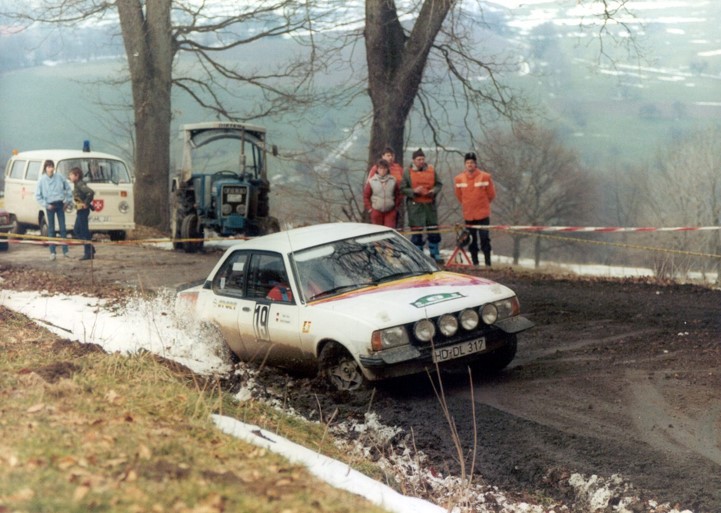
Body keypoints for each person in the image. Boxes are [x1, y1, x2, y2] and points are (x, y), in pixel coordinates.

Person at [400, 148, 444, 264]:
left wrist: (433, 191)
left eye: (423, 159)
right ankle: (418, 255)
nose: (421, 161)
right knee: (416, 231)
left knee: (433, 229)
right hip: (415, 206)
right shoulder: (407, 172)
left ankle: (435, 253)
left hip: (429, 205)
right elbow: (402, 189)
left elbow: (439, 184)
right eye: (419, 159)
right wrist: (414, 191)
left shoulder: (431, 170)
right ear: (414, 160)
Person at [454, 152, 496, 266]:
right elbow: (459, 195)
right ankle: (475, 263)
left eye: (472, 162)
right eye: (467, 162)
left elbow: (491, 194)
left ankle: (488, 263)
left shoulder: (485, 177)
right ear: (465, 164)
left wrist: (482, 205)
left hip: (483, 214)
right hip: (468, 214)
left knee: (484, 238)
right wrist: (468, 205)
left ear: (475, 164)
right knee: (471, 239)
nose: (470, 165)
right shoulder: (459, 179)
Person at [35, 159, 73, 260]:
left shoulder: (60, 177)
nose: (50, 169)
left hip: (60, 204)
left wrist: (67, 201)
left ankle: (65, 251)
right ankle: (52, 252)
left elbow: (68, 189)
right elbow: (38, 196)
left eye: (52, 166)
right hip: (50, 206)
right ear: (45, 168)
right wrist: (46, 205)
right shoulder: (42, 180)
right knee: (51, 229)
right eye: (48, 167)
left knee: (63, 228)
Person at [365, 146, 405, 229]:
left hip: (393, 205)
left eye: (392, 155)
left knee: (392, 228)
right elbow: (368, 189)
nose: (390, 157)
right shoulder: (375, 168)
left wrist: (396, 206)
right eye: (388, 155)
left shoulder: (398, 168)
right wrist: (370, 208)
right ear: (383, 156)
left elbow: (402, 187)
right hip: (377, 207)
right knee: (377, 230)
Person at [68, 167, 96, 261]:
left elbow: (90, 192)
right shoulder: (76, 185)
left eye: (71, 175)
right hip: (79, 210)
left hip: (83, 211)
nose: (70, 176)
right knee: (77, 230)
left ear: (77, 176)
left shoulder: (80, 184)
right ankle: (90, 248)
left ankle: (88, 253)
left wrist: (86, 203)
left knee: (84, 231)